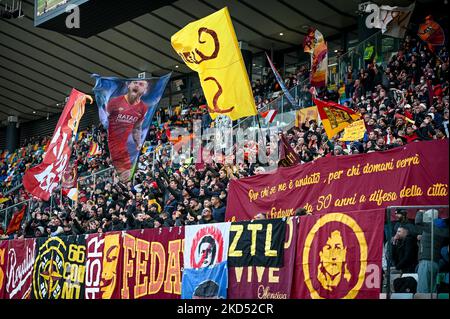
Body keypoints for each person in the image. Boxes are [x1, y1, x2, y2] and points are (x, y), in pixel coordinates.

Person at [106, 80, 149, 182]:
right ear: (129, 85)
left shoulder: (143, 108)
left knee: (127, 179)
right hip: (112, 147)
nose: (137, 85)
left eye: (141, 84)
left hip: (125, 148)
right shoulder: (114, 102)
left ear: (145, 90)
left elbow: (137, 128)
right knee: (123, 179)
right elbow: (104, 124)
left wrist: (138, 143)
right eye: (135, 83)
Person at [415, 209, 449, 293]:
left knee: (422, 291)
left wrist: (420, 211)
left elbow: (418, 221)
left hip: (426, 261)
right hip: (434, 262)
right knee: (432, 291)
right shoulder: (442, 228)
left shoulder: (430, 226)